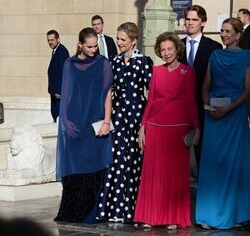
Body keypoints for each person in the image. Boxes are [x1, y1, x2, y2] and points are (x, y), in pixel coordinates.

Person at [134, 32, 200, 229]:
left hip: (178, 130)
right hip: (155, 128)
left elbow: (191, 102)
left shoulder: (188, 72)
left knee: (175, 175)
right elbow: (151, 101)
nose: (166, 53)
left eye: (170, 49)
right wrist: (142, 128)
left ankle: (173, 217)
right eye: (163, 50)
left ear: (177, 49)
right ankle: (150, 216)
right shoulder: (156, 71)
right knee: (152, 174)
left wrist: (197, 128)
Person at [54, 27, 113, 223]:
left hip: (94, 123)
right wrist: (65, 120)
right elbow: (65, 93)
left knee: (93, 168)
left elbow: (107, 94)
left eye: (96, 46)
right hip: (74, 123)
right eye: (89, 46)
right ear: (80, 44)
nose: (93, 49)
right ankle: (71, 212)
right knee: (74, 168)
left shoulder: (103, 63)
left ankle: (89, 212)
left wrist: (106, 121)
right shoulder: (69, 63)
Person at [196, 17, 250, 230]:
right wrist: (207, 106)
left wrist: (227, 109)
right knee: (212, 165)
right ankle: (208, 215)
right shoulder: (215, 55)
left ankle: (235, 214)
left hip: (234, 116)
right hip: (214, 117)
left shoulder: (247, 56)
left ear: (238, 34)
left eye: (228, 31)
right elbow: (205, 86)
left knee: (233, 165)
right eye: (222, 30)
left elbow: (248, 91)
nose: (224, 34)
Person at [97, 22, 153, 223]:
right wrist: (107, 119)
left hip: (137, 119)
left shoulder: (144, 61)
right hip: (118, 117)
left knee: (134, 161)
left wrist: (145, 124)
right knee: (116, 161)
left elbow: (152, 94)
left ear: (133, 41)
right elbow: (108, 92)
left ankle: (134, 210)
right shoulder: (113, 61)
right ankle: (116, 210)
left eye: (123, 40)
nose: (119, 43)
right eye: (118, 39)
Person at [180, 5, 223, 171]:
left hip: (203, 107)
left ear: (203, 22)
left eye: (194, 20)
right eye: (188, 19)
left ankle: (203, 189)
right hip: (181, 107)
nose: (190, 23)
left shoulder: (214, 47)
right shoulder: (177, 46)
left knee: (203, 151)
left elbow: (218, 80)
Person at [47, 30, 69, 122]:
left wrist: (59, 90)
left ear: (58, 39)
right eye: (48, 40)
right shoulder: (56, 51)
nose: (50, 42)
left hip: (58, 94)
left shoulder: (62, 51)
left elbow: (64, 72)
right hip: (55, 93)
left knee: (59, 118)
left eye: (52, 40)